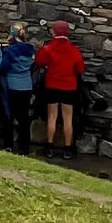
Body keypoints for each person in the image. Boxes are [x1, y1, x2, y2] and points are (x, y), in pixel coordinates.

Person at [34, 19, 86, 154]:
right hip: (69, 87)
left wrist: (40, 50)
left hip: (51, 85)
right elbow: (80, 69)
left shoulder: (48, 49)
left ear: (54, 32)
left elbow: (39, 62)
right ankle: (68, 148)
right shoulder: (74, 50)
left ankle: (49, 146)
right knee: (67, 118)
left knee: (52, 116)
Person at [0, 24, 39, 153]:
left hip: (12, 86)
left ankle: (8, 145)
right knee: (23, 118)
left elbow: (2, 66)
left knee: (9, 116)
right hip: (27, 86)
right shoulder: (30, 50)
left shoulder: (12, 51)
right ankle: (24, 148)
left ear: (12, 34)